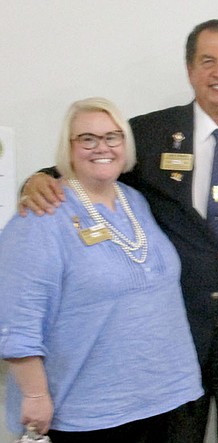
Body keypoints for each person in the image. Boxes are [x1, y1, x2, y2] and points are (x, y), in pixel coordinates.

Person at [18, 19, 218, 443]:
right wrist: (35, 179)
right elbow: (88, 162)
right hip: (171, 350)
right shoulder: (150, 133)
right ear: (190, 69)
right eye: (208, 61)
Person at [1, 97, 203, 442]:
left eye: (112, 137)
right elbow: (17, 319)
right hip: (90, 411)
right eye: (88, 139)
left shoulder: (134, 201)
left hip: (165, 397)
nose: (102, 147)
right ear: (68, 147)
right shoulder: (40, 217)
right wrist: (34, 395)